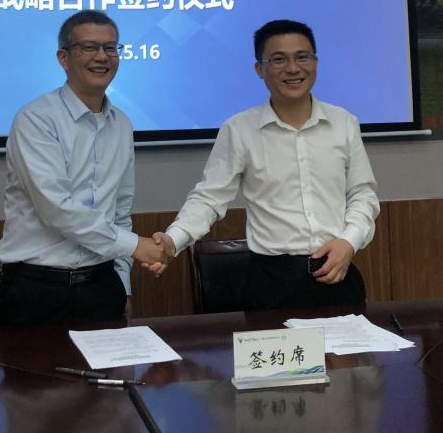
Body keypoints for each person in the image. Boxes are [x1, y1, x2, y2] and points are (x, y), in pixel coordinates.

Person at [151, 19, 379, 309]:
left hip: (338, 273)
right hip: (271, 282)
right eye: (279, 59)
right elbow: (209, 198)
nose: (293, 68)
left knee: (348, 342)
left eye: (302, 57)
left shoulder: (343, 123)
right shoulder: (239, 129)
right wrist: (173, 239)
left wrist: (349, 241)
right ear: (260, 69)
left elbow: (362, 194)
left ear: (316, 62)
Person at [0, 10, 168, 327]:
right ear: (64, 58)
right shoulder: (36, 119)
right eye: (89, 47)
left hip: (102, 287)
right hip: (36, 290)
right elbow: (57, 208)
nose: (102, 57)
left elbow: (120, 210)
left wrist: (123, 284)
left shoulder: (122, 124)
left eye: (110, 48)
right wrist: (137, 246)